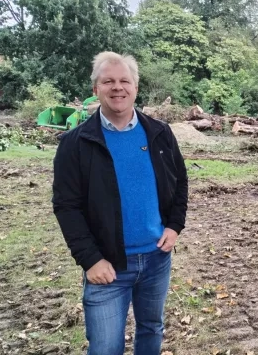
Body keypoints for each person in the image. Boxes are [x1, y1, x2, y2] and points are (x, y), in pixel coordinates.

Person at [52, 51, 188, 354]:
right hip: (107, 267)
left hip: (156, 259)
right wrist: (90, 259)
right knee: (105, 348)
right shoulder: (75, 144)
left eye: (125, 80)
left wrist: (175, 225)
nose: (118, 87)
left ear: (135, 88)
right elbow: (66, 207)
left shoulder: (160, 133)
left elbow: (180, 182)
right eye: (108, 81)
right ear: (95, 89)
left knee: (151, 330)